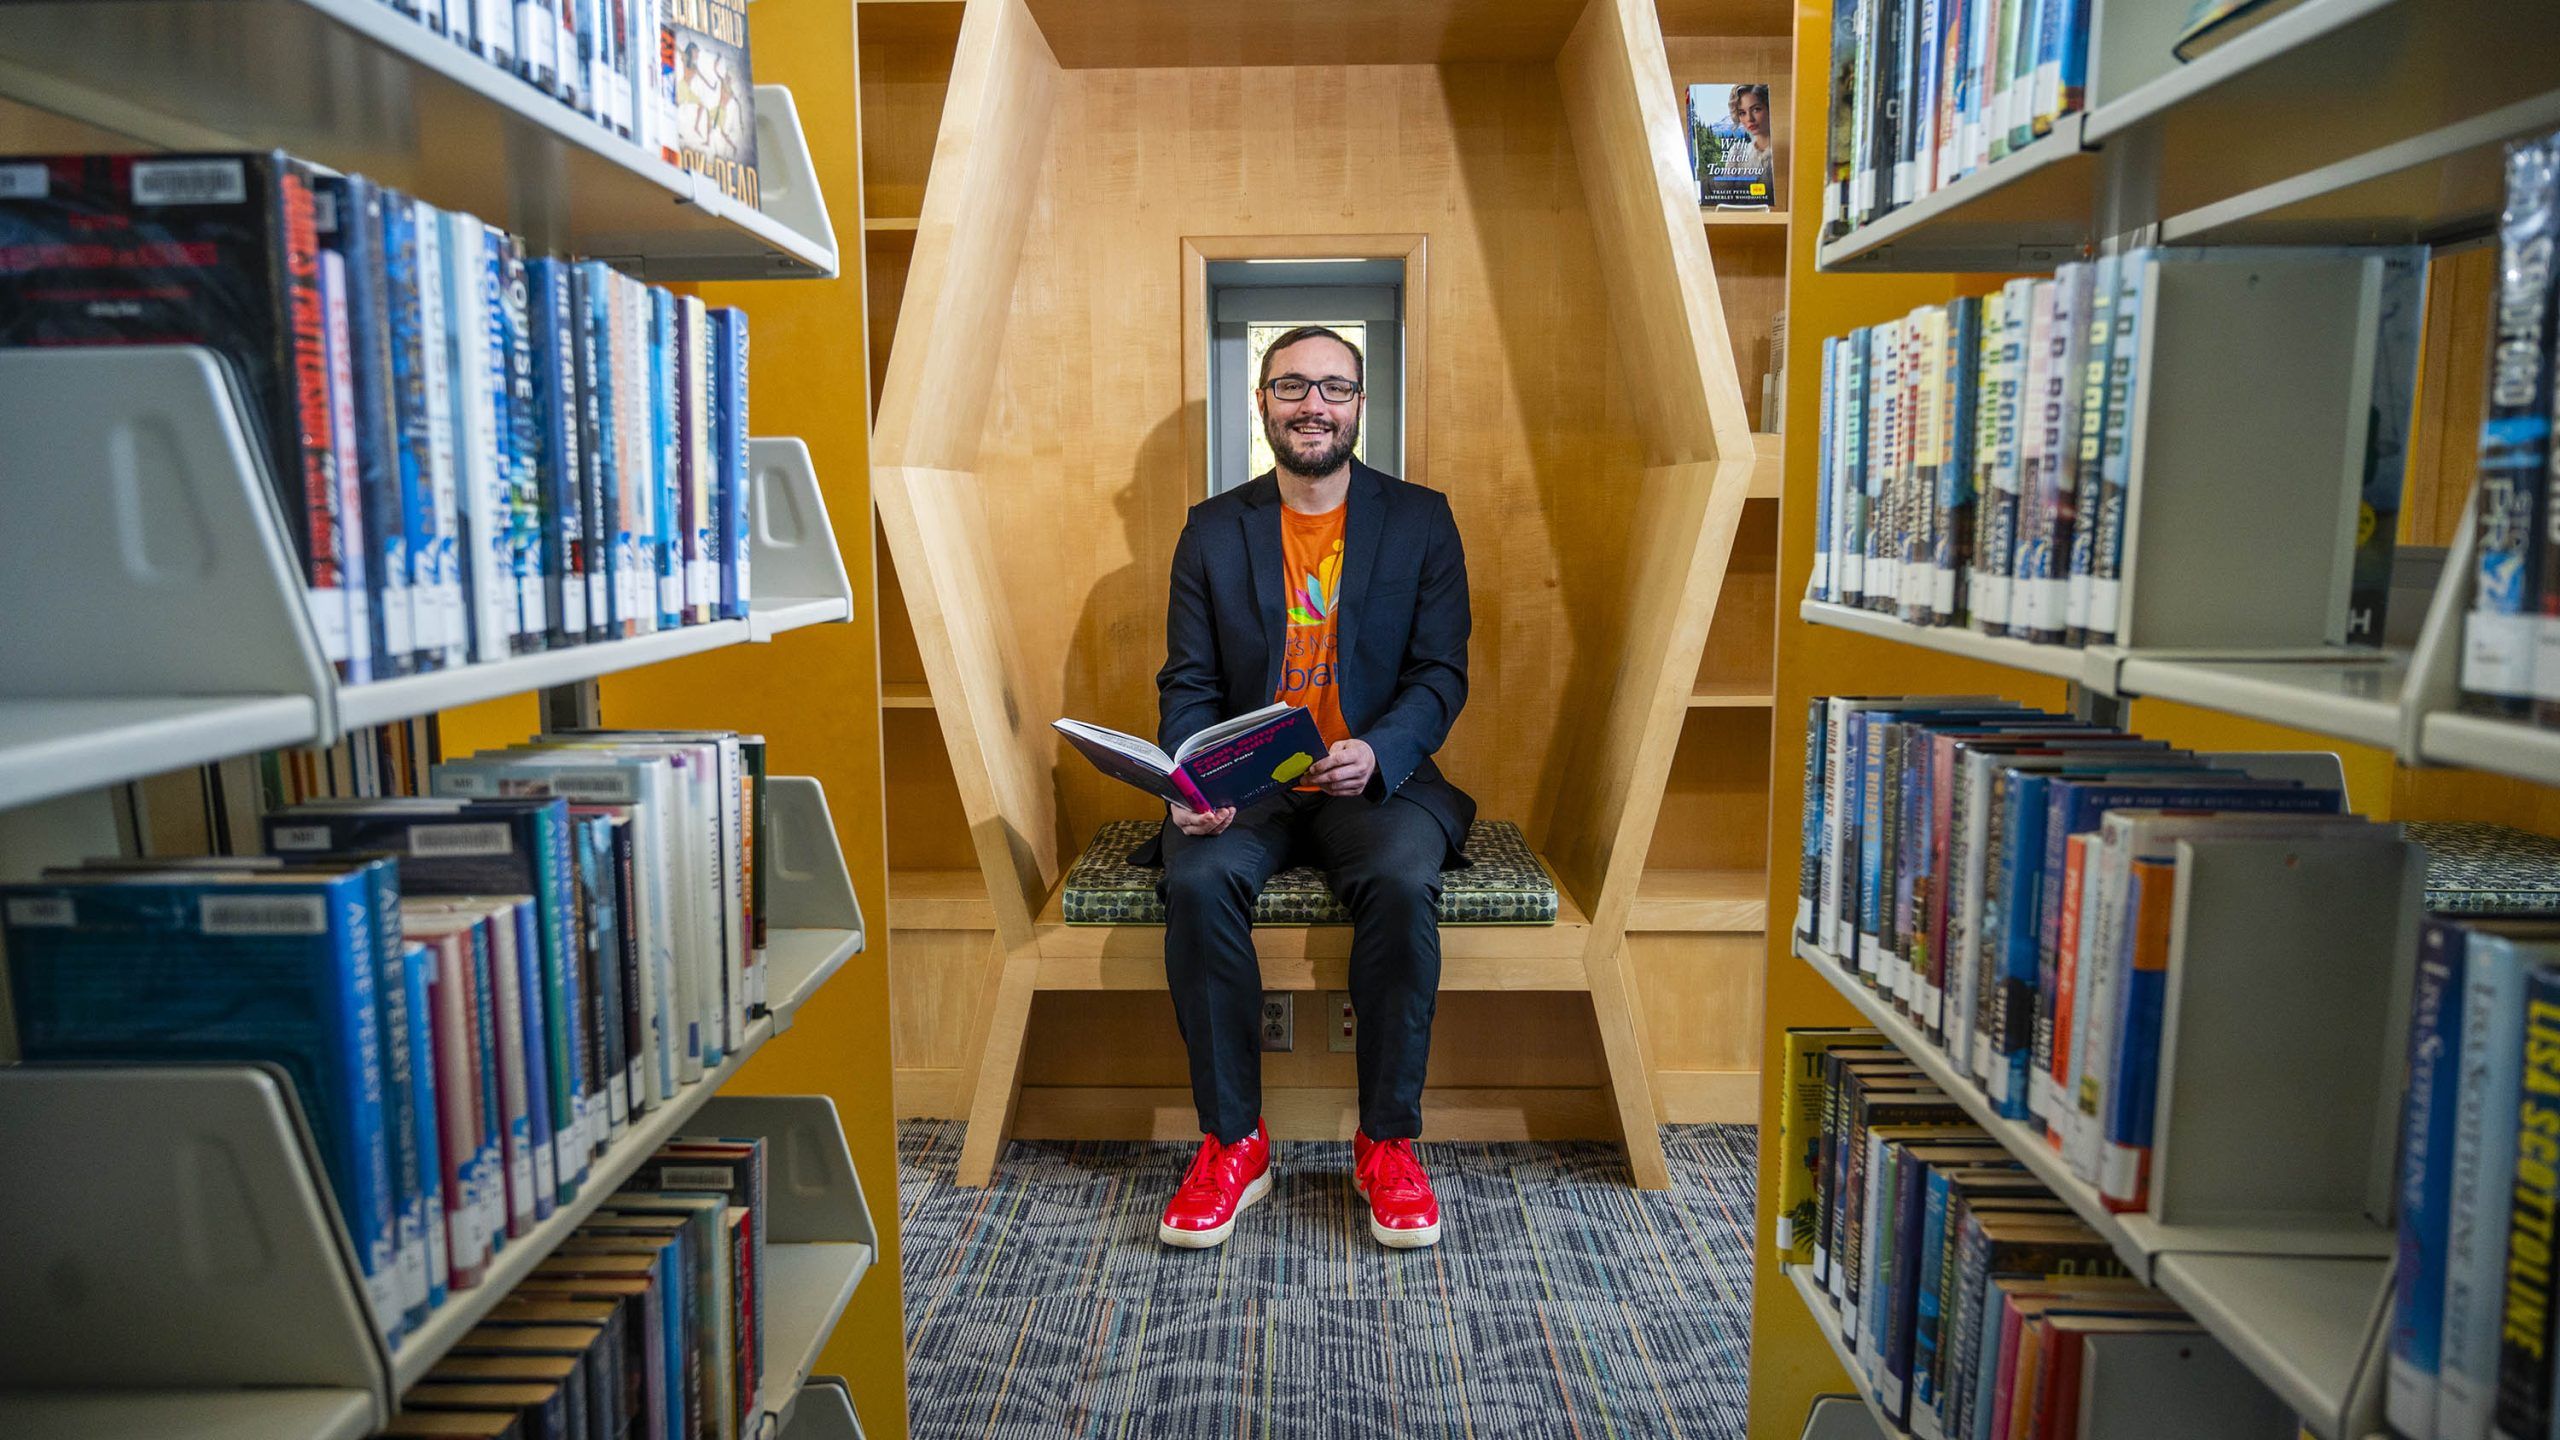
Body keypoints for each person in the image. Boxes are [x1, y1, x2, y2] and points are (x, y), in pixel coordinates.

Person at [1145, 325, 1473, 1251]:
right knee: (1200, 880)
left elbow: (1440, 674)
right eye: (1292, 387)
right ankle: (1234, 1142)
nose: (1313, 405)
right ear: (1262, 403)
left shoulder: (1421, 519)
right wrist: (1190, 773)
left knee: (1405, 883)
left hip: (1372, 780)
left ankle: (1388, 1142)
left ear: (1361, 404)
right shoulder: (1214, 529)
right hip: (1251, 785)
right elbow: (1190, 683)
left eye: (1334, 387)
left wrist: (1378, 751)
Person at [1727, 83, 1775, 180]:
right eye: (1742, 113)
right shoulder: (1737, 153)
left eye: (1756, 109)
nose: (1749, 118)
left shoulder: (1784, 153)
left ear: (1769, 108)